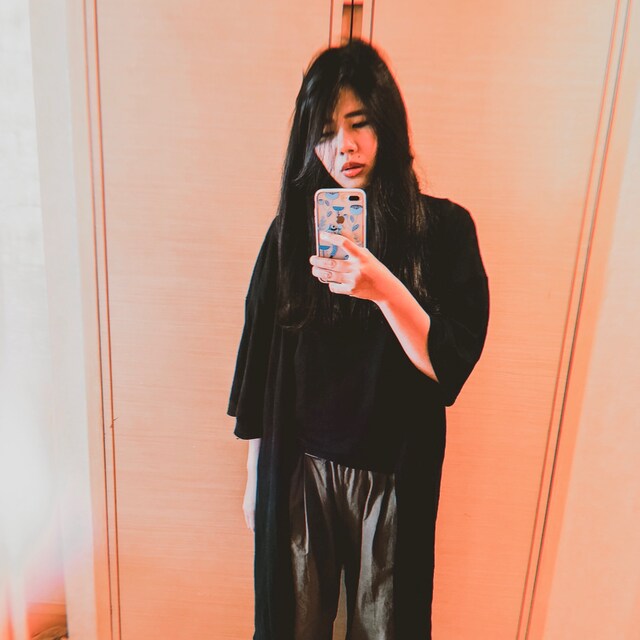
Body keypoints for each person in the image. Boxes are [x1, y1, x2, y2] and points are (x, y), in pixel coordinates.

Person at [228, 38, 489, 640]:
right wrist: (255, 476)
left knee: (385, 630)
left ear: (386, 123)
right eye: (324, 132)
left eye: (358, 122)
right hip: (301, 469)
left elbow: (449, 363)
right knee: (292, 627)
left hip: (392, 477)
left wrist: (384, 289)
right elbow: (259, 360)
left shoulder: (443, 230)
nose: (343, 146)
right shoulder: (292, 236)